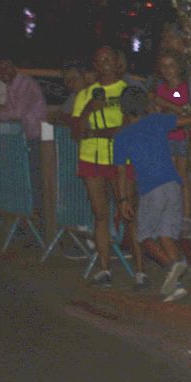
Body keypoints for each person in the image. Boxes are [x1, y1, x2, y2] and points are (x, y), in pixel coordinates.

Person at [114, 89, 191, 302]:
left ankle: (171, 266)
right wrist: (172, 104)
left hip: (151, 189)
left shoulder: (122, 136)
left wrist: (123, 200)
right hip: (173, 185)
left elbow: (121, 173)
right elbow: (188, 119)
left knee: (143, 235)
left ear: (123, 109)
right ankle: (176, 286)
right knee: (166, 235)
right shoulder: (158, 120)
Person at [70, 47, 129, 285]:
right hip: (92, 157)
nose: (105, 64)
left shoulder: (127, 90)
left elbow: (133, 122)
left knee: (128, 211)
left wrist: (110, 132)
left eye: (109, 59)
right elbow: (75, 131)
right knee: (100, 214)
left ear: (117, 62)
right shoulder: (86, 94)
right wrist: (88, 110)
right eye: (100, 60)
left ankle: (139, 268)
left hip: (120, 159)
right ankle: (104, 268)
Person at [151, 50, 191, 229]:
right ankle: (170, 212)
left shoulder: (182, 89)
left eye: (171, 66)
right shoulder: (161, 88)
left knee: (182, 175)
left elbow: (183, 108)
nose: (167, 70)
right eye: (164, 66)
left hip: (181, 137)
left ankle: (185, 215)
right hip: (165, 137)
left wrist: (165, 104)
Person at [0, 59, 47, 142]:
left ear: (14, 67)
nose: (3, 72)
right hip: (25, 135)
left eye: (6, 67)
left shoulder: (25, 83)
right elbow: (9, 110)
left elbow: (18, 113)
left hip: (37, 136)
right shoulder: (11, 85)